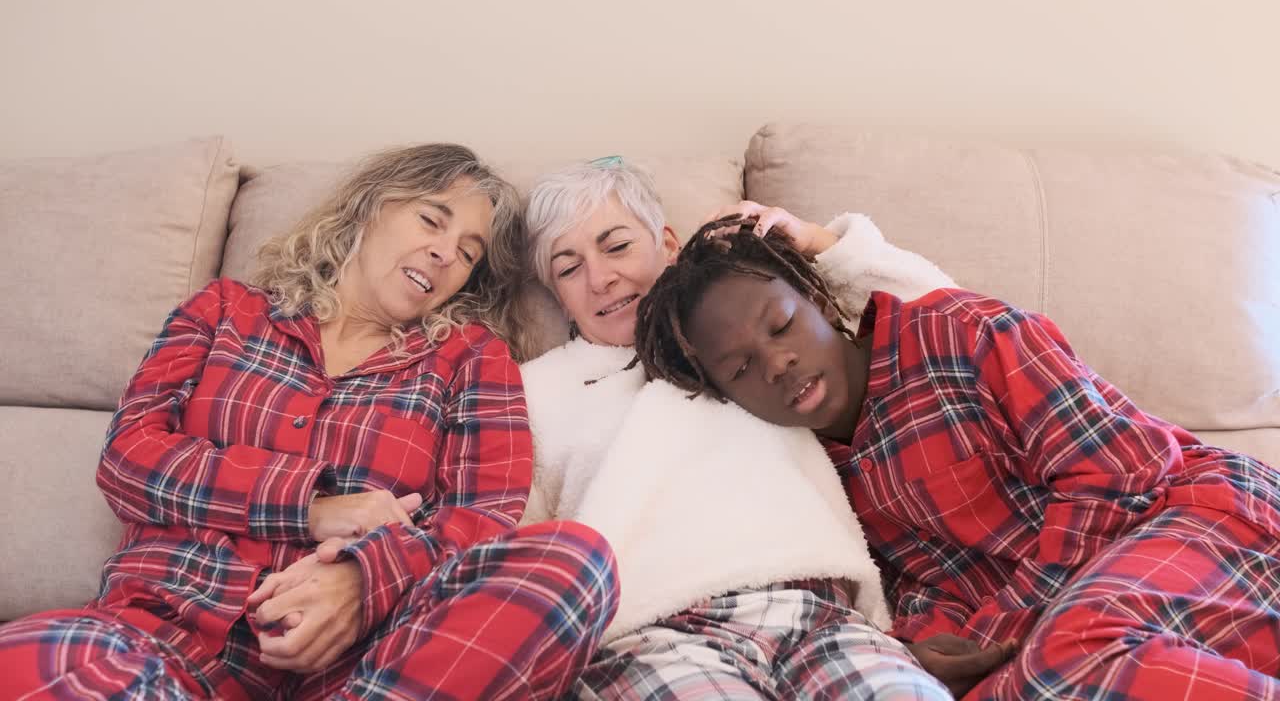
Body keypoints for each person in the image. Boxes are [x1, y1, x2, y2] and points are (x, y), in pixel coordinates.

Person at [0, 143, 618, 701]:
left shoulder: (470, 358)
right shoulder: (222, 313)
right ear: (370, 208)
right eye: (433, 220)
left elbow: (481, 522)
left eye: (467, 253)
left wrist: (363, 581)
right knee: (37, 659)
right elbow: (129, 460)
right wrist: (312, 507)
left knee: (572, 562)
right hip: (162, 635)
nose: (444, 252)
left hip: (361, 668)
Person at [633, 213, 1280, 701]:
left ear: (820, 301)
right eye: (742, 368)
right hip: (1074, 610)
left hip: (1192, 514)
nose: (776, 363)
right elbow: (920, 589)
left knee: (1066, 656)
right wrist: (925, 650)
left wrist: (1002, 624)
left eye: (781, 326)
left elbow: (1122, 474)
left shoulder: (963, 333)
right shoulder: (818, 477)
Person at [518, 157, 959, 699]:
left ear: (668, 243)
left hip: (822, 614)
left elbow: (940, 317)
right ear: (556, 294)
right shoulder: (533, 390)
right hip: (654, 631)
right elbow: (515, 542)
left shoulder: (751, 327)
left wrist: (818, 241)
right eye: (568, 268)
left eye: (616, 246)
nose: (600, 277)